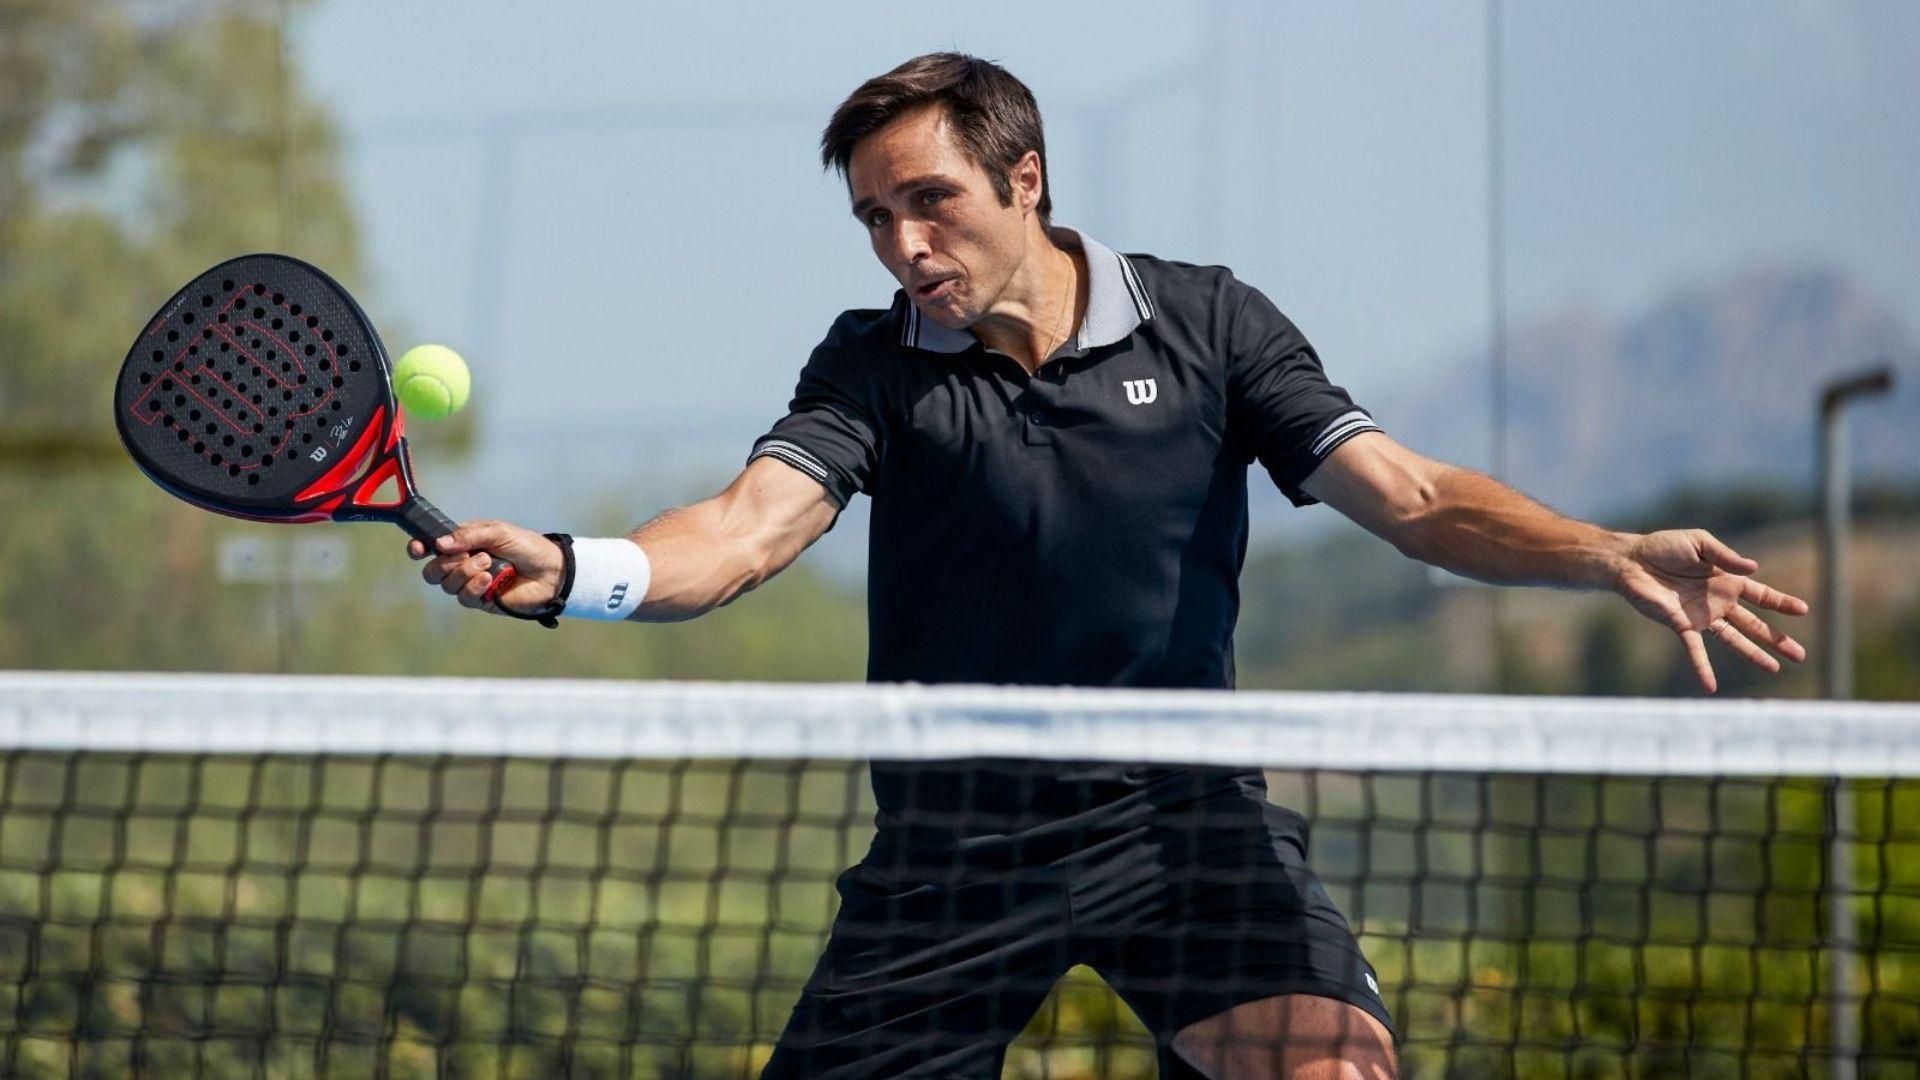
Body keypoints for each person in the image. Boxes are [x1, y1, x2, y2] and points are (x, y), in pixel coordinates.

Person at [411, 53, 1808, 1080]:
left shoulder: (1210, 326)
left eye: (930, 202)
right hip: (955, 857)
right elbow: (741, 531)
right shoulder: (875, 364)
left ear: (1026, 179)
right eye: (874, 220)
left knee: (1336, 1073)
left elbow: (1418, 498)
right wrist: (576, 566)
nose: (905, 245)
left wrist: (1608, 552)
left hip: (1183, 830)